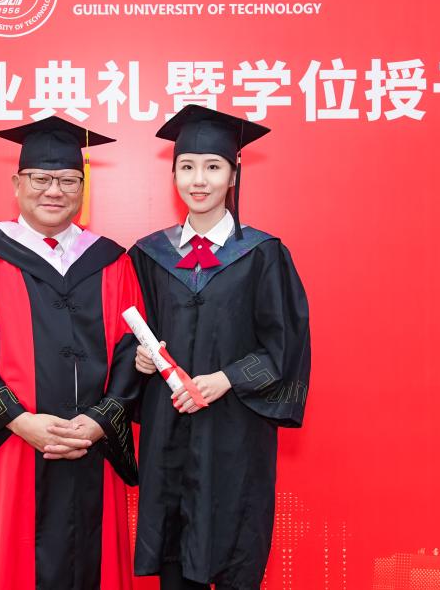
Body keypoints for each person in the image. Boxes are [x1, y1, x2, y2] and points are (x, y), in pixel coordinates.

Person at [0, 116, 144, 590]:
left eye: (68, 180)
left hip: (91, 444)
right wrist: (19, 420)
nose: (54, 191)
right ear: (17, 184)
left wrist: (101, 420)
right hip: (12, 444)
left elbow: (132, 347)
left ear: (82, 188)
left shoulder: (111, 260)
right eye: (40, 179)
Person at [129, 105, 312, 590]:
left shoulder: (263, 254)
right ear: (173, 174)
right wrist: (139, 358)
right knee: (175, 553)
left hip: (235, 432)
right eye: (187, 167)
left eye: (213, 166)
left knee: (235, 547)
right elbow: (127, 335)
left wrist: (227, 378)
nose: (199, 180)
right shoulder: (148, 255)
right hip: (169, 430)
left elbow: (284, 345)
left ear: (234, 174)